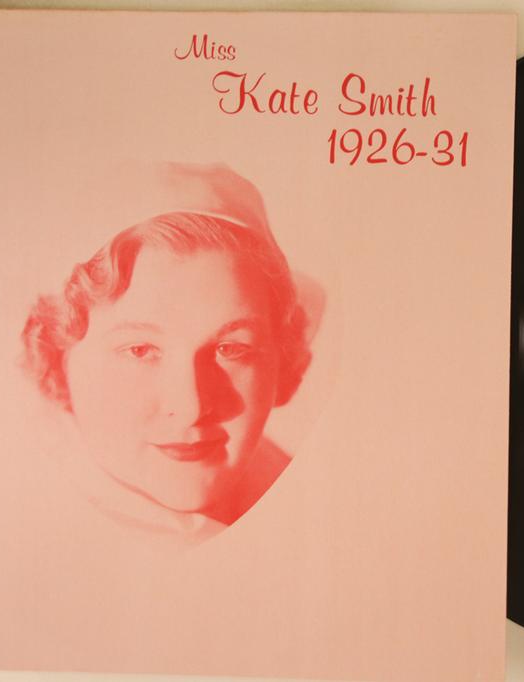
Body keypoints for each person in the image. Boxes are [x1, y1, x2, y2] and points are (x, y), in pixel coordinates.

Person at [21, 163, 314, 540]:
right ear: (57, 359)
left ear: (280, 361)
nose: (191, 407)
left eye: (230, 349)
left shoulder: (301, 503)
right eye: (140, 350)